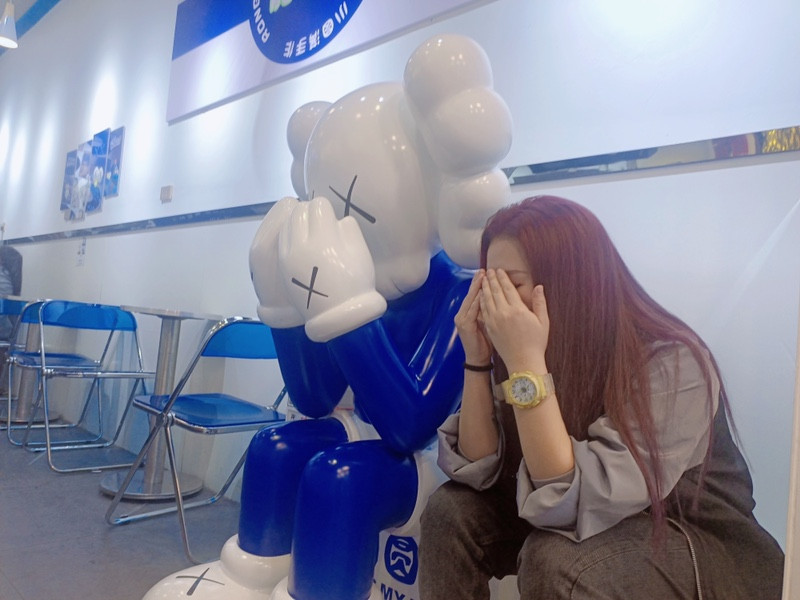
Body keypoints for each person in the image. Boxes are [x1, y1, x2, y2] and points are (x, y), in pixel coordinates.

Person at [419, 195, 784, 599]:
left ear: (568, 283)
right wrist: (477, 359)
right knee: (450, 512)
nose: (495, 302)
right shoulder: (530, 344)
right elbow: (477, 468)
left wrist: (525, 363)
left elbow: (566, 496)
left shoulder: (675, 363)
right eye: (489, 283)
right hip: (593, 519)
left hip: (696, 543)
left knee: (557, 561)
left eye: (511, 284)